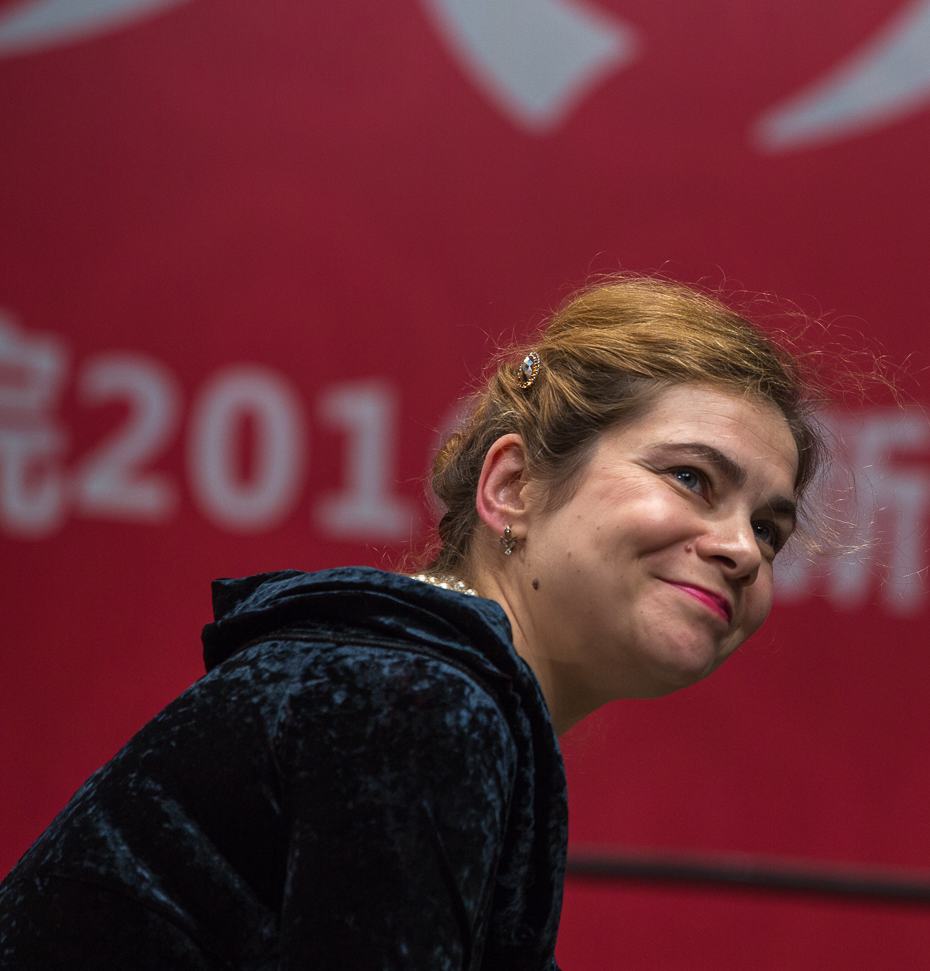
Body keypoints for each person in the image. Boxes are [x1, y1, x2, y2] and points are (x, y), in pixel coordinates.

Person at [0, 277, 825, 970]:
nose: (741, 550)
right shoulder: (415, 698)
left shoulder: (425, 686)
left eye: (769, 530)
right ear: (512, 486)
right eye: (692, 478)